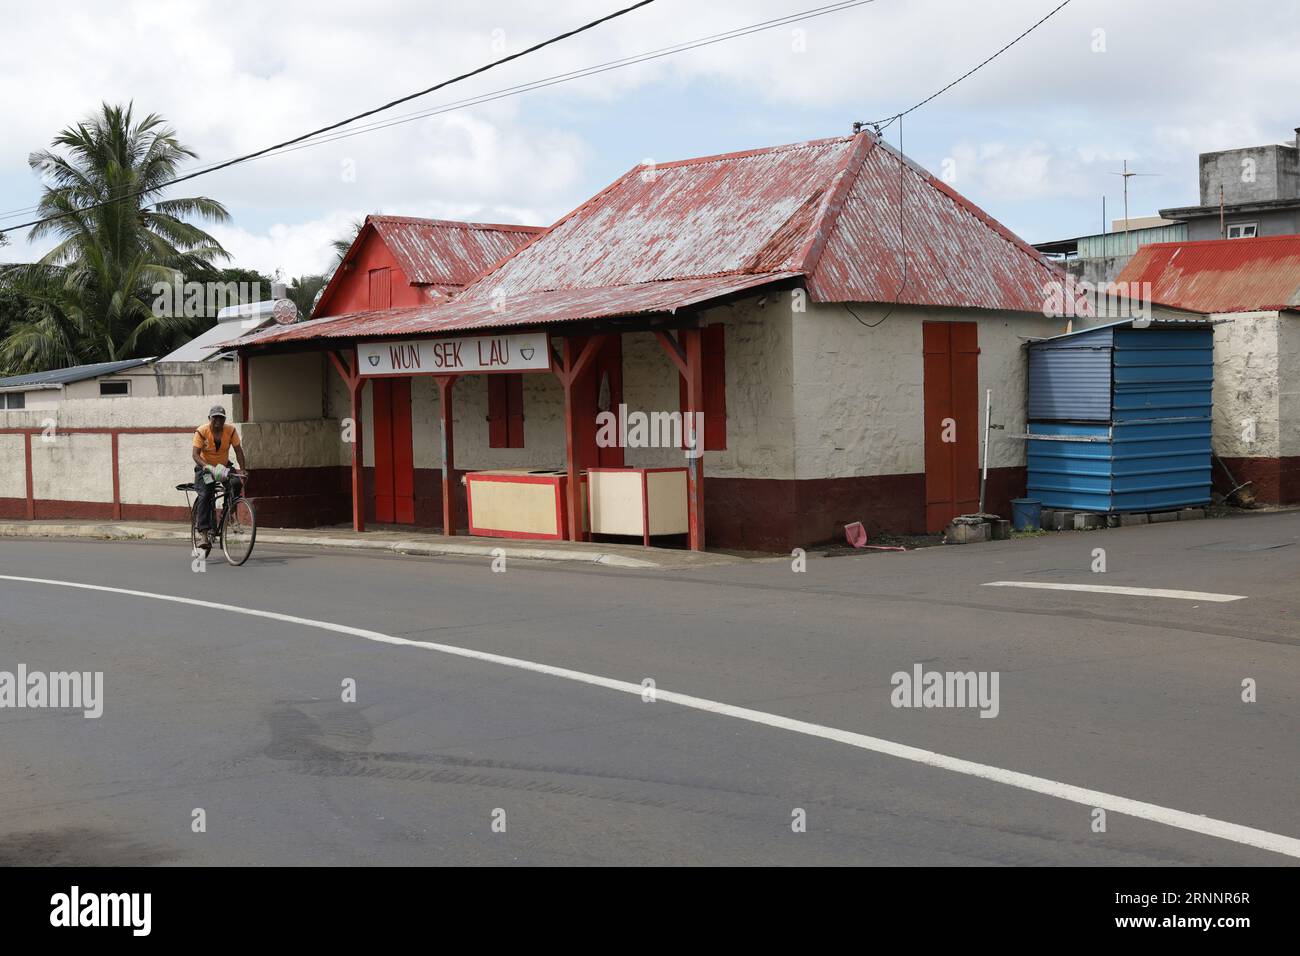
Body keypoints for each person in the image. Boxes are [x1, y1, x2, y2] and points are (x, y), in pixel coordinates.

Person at [191, 405, 248, 550]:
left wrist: (243, 469)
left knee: (235, 482)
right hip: (206, 469)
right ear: (209, 418)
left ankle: (229, 513)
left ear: (224, 420)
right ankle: (204, 533)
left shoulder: (230, 431)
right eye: (215, 417)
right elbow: (195, 455)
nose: (218, 420)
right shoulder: (202, 431)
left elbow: (238, 451)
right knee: (205, 494)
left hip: (223, 467)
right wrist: (207, 467)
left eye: (221, 418)